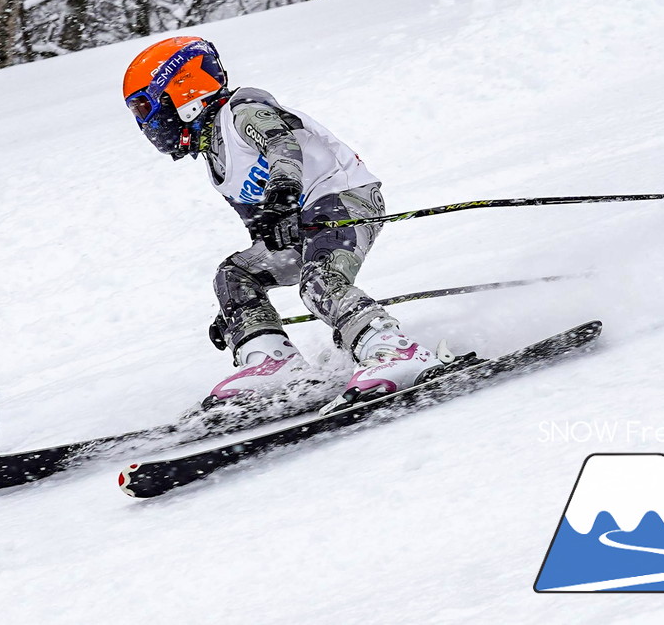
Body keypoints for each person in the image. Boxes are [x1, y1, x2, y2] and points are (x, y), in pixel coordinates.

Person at [123, 35, 452, 408]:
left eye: (145, 107)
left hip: (342, 198)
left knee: (319, 282)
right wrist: (239, 315)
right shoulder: (217, 163)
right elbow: (266, 231)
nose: (146, 123)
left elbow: (281, 144)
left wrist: (283, 191)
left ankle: (394, 350)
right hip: (304, 220)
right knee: (234, 276)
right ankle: (273, 363)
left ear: (183, 91)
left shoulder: (242, 110)